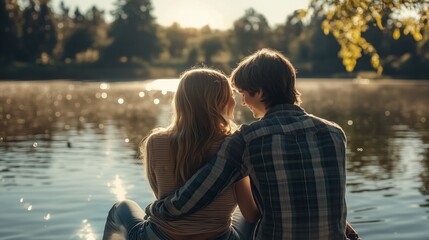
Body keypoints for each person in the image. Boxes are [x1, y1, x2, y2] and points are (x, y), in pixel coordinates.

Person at [146, 48, 357, 239]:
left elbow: (194, 196)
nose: (243, 102)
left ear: (261, 92)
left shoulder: (248, 138)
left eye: (244, 93)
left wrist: (156, 210)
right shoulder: (334, 133)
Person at [102, 68, 260, 240]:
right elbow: (251, 215)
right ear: (219, 102)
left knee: (121, 208)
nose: (234, 101)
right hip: (218, 236)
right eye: (230, 95)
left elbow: (162, 198)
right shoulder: (234, 146)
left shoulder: (156, 142)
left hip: (160, 236)